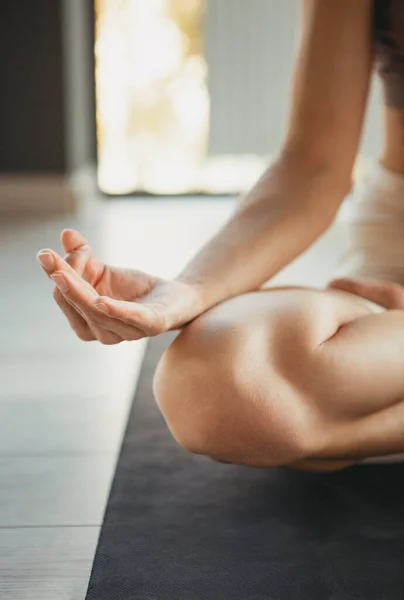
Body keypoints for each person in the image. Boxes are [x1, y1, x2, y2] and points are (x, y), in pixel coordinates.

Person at [37, 0, 404, 471]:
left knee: (286, 419)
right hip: (392, 272)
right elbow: (312, 170)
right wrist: (187, 291)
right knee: (208, 386)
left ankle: (332, 432)